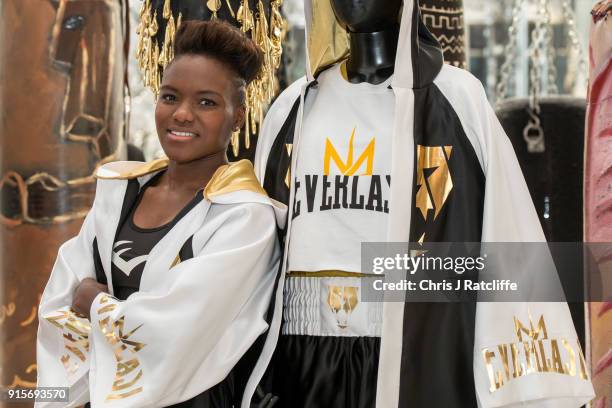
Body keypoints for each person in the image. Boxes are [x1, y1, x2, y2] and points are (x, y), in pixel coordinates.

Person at [246, 0, 596, 407]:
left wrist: (529, 384)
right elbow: (260, 257)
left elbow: (507, 226)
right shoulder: (293, 110)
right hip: (300, 366)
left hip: (418, 355)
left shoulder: (456, 99)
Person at [35, 20, 284, 408]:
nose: (182, 114)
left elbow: (181, 328)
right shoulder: (119, 193)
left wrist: (97, 305)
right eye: (170, 97)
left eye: (206, 102)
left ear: (237, 117)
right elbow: (58, 304)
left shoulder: (245, 217)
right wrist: (111, 313)